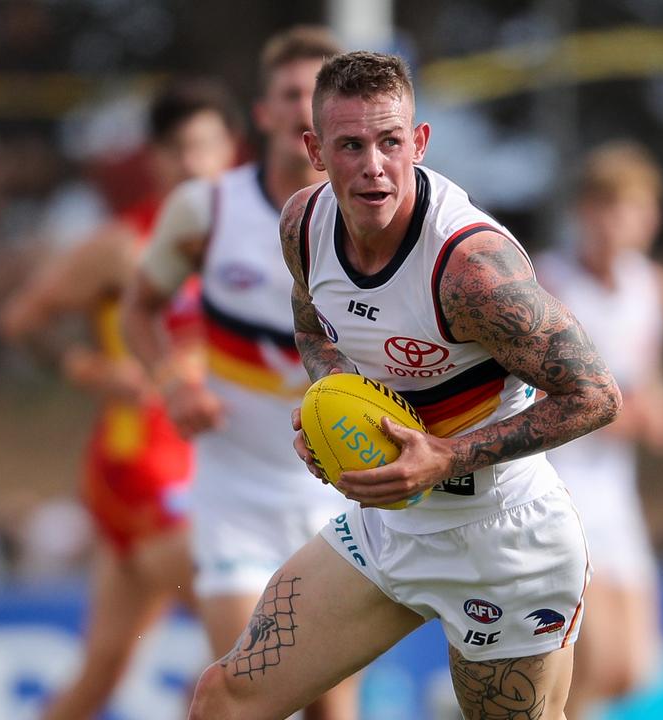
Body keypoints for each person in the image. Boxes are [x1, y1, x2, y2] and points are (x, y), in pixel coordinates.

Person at [184, 50, 622, 720]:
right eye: (351, 145)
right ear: (315, 150)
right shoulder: (305, 227)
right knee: (225, 700)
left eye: (391, 142)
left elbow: (596, 396)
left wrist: (445, 457)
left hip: (503, 537)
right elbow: (315, 327)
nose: (373, 165)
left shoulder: (471, 268)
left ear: (418, 142)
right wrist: (328, 405)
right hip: (389, 530)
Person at [121, 27, 358, 719]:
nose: (302, 109)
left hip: (336, 492)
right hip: (234, 494)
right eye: (290, 94)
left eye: (319, 95)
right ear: (261, 114)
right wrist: (172, 381)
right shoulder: (207, 208)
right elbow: (140, 310)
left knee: (332, 709)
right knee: (248, 699)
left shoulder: (375, 219)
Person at [1, 77, 241, 720]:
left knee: (100, 675)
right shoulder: (122, 245)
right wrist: (88, 368)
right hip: (139, 467)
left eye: (204, 146)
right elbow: (24, 318)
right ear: (154, 158)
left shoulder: (251, 238)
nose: (191, 163)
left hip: (208, 470)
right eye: (175, 149)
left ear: (229, 148)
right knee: (255, 623)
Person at [536, 141, 663, 718]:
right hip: (562, 486)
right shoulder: (551, 283)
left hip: (615, 494)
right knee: (593, 663)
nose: (618, 221)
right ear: (583, 212)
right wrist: (619, 416)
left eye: (633, 207)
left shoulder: (653, 286)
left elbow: (651, 383)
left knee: (636, 667)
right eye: (606, 206)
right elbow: (540, 395)